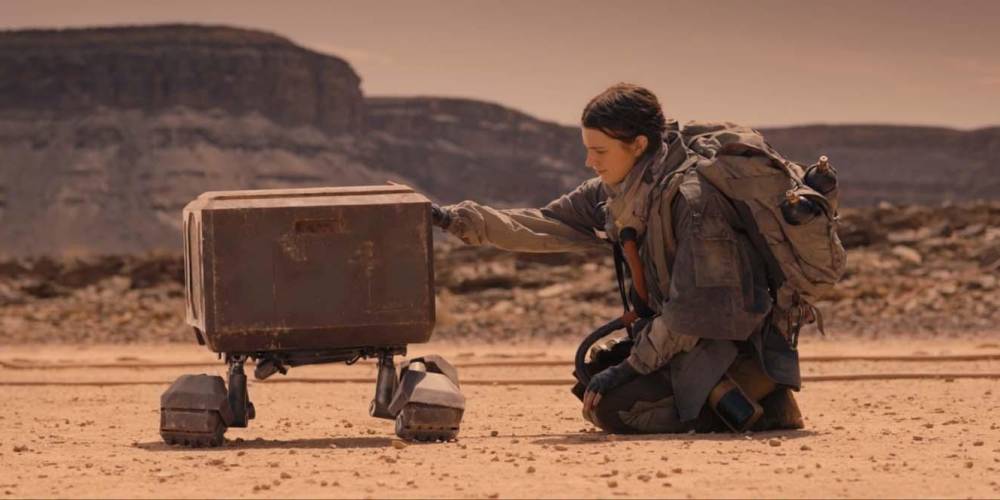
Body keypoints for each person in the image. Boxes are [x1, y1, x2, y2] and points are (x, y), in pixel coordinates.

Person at [430, 83, 804, 433]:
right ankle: (732, 393)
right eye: (588, 149)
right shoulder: (614, 193)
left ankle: (762, 398)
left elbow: (693, 311)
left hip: (724, 339)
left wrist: (632, 366)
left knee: (614, 409)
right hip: (684, 332)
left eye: (600, 151)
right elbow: (544, 224)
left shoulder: (694, 201)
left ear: (638, 144)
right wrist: (454, 220)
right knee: (592, 380)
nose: (589, 161)